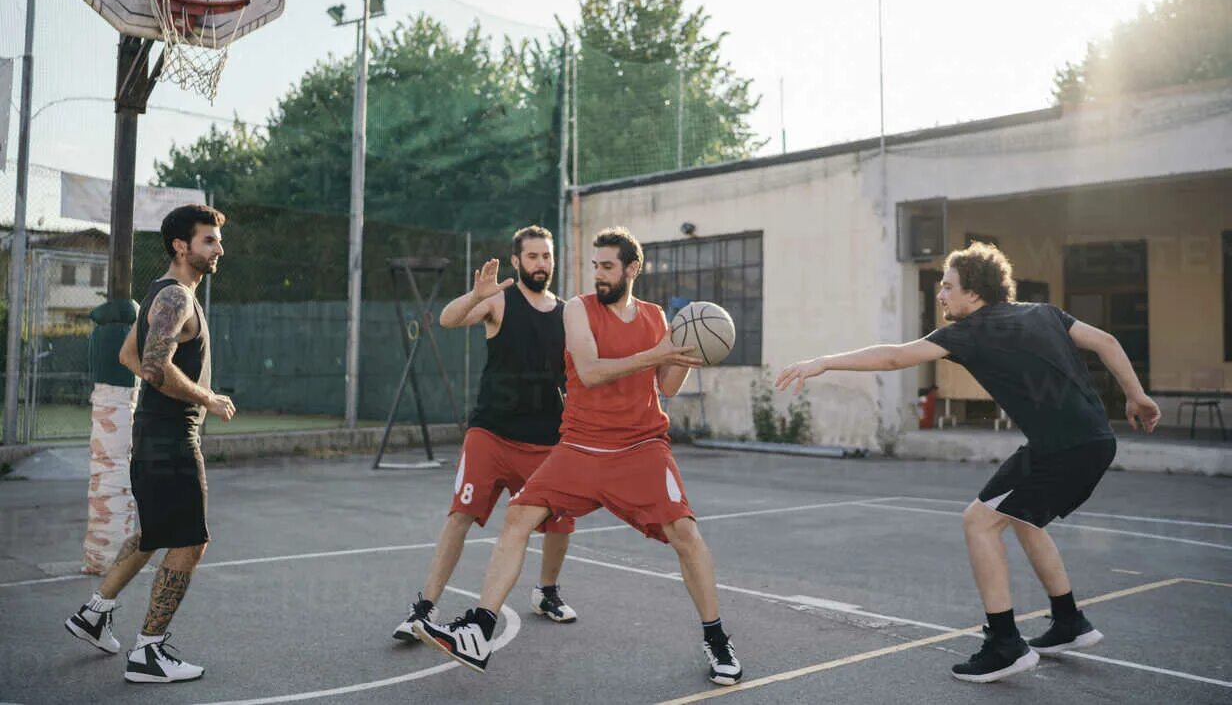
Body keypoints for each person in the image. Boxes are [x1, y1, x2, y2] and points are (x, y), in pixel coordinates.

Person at [776, 242, 1160, 683]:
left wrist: (822, 362)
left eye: (947, 286)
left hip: (1064, 448)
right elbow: (1106, 342)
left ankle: (1004, 644)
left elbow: (895, 356)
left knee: (979, 522)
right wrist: (1136, 395)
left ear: (974, 294)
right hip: (1089, 440)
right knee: (1022, 519)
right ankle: (1069, 621)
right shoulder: (1045, 313)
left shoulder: (971, 330)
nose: (940, 295)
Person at [416, 226, 743, 686]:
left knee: (685, 533)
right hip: (581, 446)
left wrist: (692, 355)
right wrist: (657, 353)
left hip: (641, 448)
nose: (599, 275)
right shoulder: (578, 310)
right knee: (518, 518)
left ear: (632, 269)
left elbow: (665, 387)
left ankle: (717, 639)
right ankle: (480, 628)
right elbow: (588, 373)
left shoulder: (654, 318)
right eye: (595, 266)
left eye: (608, 266)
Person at [64, 204, 235, 683]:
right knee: (190, 543)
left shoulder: (163, 295)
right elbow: (155, 367)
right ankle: (149, 653)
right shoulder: (176, 297)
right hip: (172, 437)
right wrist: (208, 398)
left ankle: (93, 614)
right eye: (209, 240)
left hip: (154, 437)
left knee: (157, 533)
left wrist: (171, 384)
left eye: (218, 240)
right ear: (181, 245)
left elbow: (127, 354)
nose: (219, 248)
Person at [393, 225, 579, 642]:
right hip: (491, 433)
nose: (541, 264)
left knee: (561, 523)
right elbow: (446, 319)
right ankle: (423, 608)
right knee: (460, 514)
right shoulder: (498, 300)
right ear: (517, 261)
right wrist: (476, 295)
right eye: (532, 257)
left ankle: (546, 592)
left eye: (546, 256)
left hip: (547, 440)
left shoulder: (568, 313)